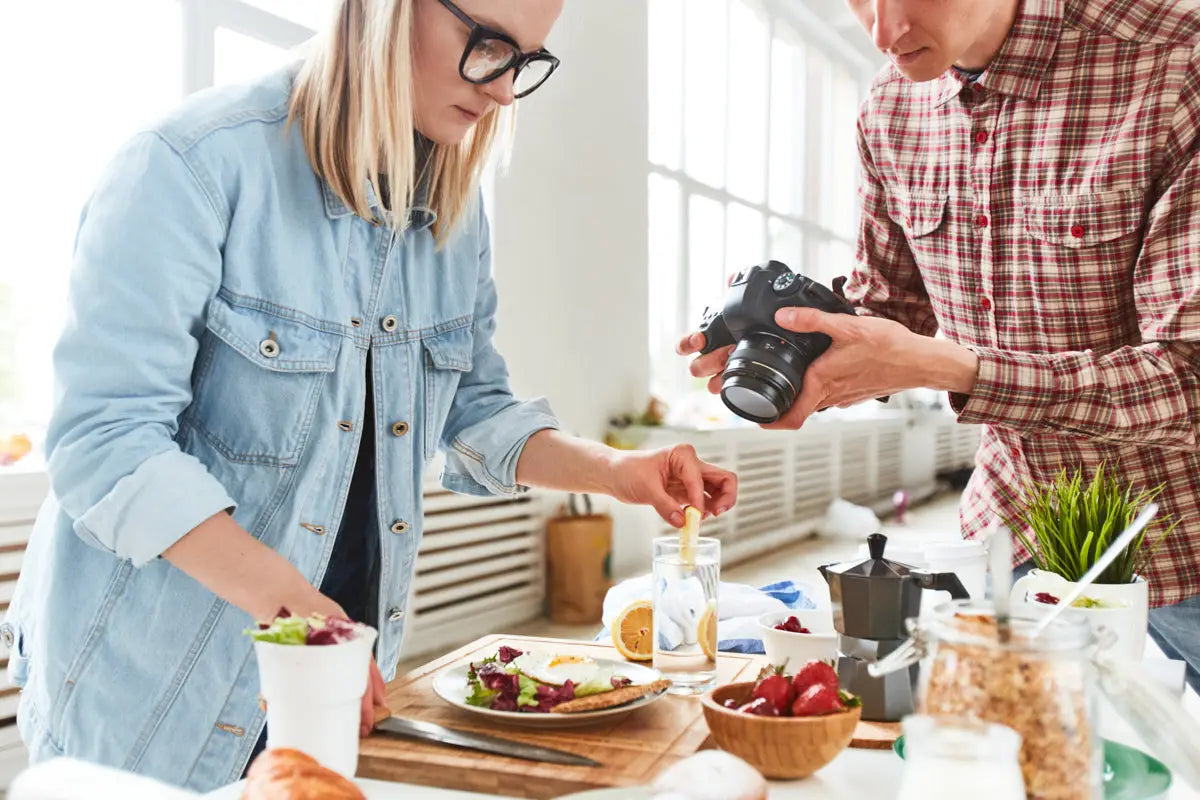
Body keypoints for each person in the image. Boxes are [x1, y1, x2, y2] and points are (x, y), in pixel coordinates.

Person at [2, 0, 737, 790]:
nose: (503, 93)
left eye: (525, 61)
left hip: (331, 686)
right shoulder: (188, 164)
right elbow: (105, 442)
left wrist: (614, 471)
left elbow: (473, 406)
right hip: (153, 700)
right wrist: (300, 611)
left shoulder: (455, 212)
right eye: (486, 46)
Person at [680, 0, 1200, 690]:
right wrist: (795, 337)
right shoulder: (893, 107)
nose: (883, 32)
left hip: (1178, 531)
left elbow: (1186, 377)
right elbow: (887, 306)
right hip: (1015, 525)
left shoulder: (1173, 64)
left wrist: (953, 367)